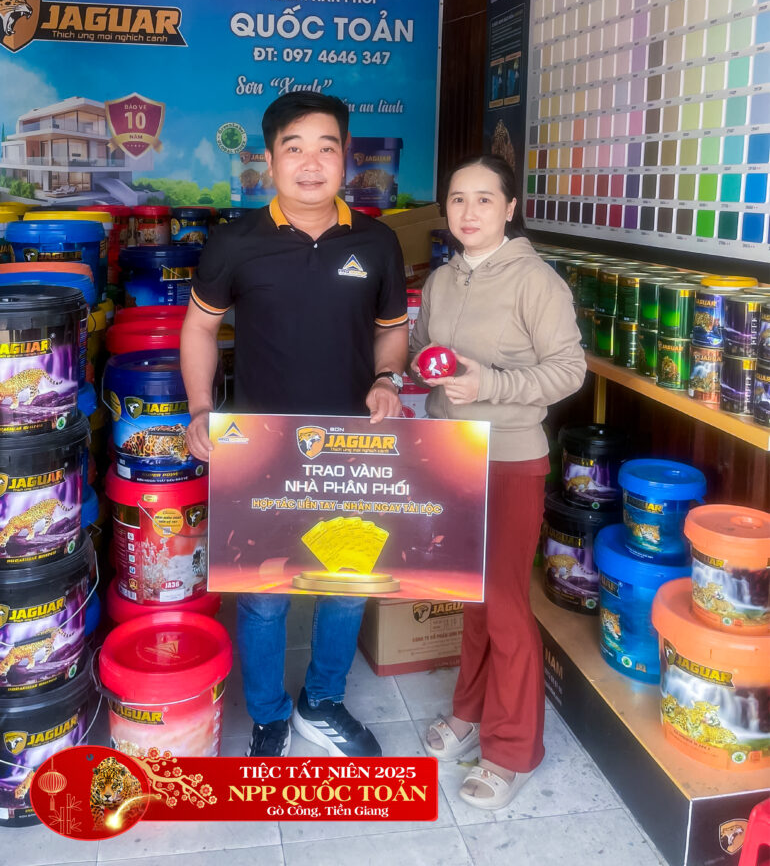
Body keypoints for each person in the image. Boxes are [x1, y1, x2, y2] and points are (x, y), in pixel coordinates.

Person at [181, 92, 408, 758]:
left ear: (346, 156)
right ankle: (270, 714)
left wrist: (387, 379)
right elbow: (199, 328)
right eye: (295, 148)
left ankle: (323, 701)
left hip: (352, 445)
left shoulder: (377, 240)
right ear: (270, 158)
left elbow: (392, 333)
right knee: (265, 595)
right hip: (261, 446)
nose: (311, 163)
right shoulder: (235, 243)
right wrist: (200, 407)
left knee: (345, 585)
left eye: (326, 148)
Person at [411, 154, 585, 810]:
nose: (469, 211)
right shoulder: (441, 279)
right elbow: (424, 350)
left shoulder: (536, 281)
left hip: (510, 457)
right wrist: (426, 369)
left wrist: (490, 383)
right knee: (472, 594)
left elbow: (568, 370)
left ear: (510, 208)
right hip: (451, 454)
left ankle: (513, 749)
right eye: (458, 198)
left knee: (507, 604)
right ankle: (469, 711)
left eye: (485, 199)